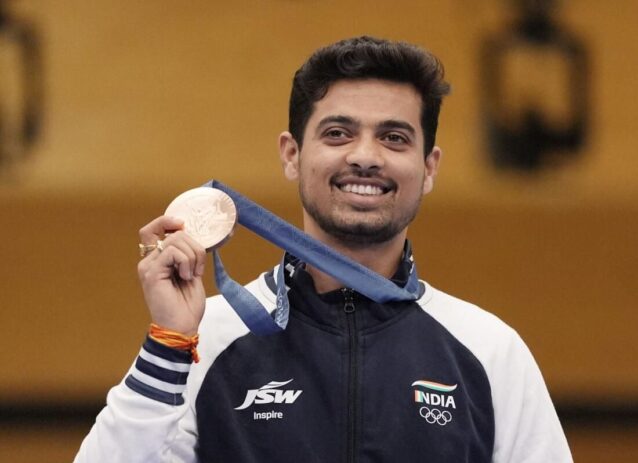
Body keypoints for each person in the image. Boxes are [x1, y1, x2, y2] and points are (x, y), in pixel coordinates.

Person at [75, 36, 573, 462]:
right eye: (338, 134)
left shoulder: (489, 351)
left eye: (394, 138)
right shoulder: (207, 339)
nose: (365, 156)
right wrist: (168, 343)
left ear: (429, 168)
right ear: (292, 155)